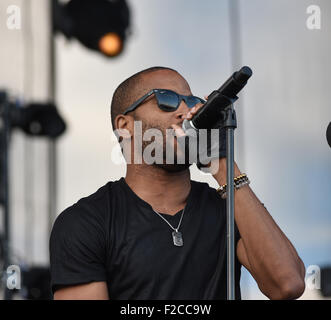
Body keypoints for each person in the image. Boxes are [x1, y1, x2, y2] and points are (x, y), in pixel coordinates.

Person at [49, 66, 305, 300]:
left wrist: (224, 165)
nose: (185, 111)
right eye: (167, 100)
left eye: (192, 102)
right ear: (125, 126)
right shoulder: (86, 222)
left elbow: (288, 284)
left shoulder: (227, 209)